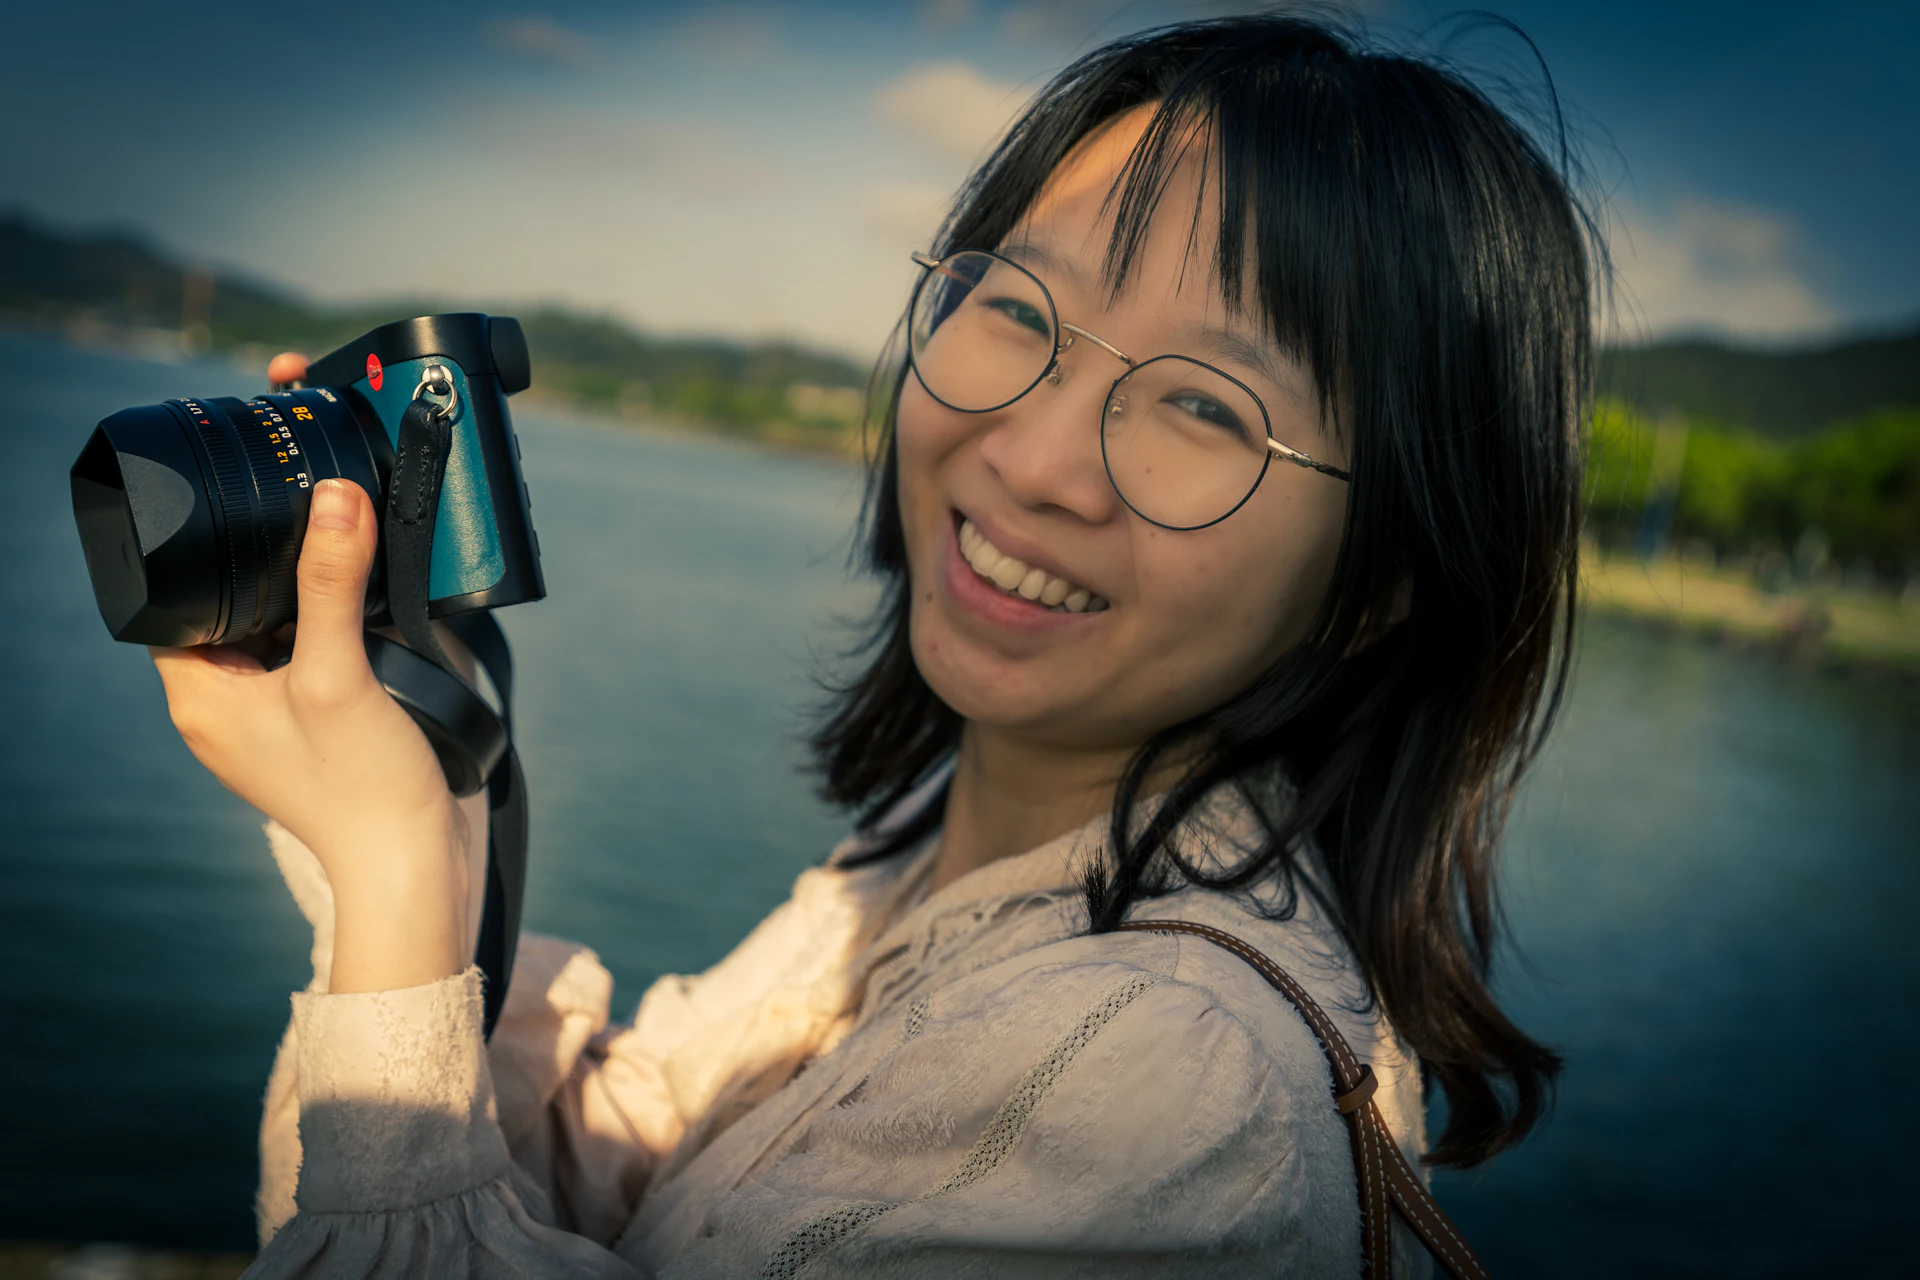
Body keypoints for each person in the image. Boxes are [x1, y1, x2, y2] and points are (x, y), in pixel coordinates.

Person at [151, 13, 1593, 1277]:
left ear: (1394, 570)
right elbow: (622, 1179)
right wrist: (423, 786)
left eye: (1204, 406)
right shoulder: (949, 850)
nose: (1032, 458)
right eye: (1018, 310)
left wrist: (394, 879)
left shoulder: (1169, 1085)